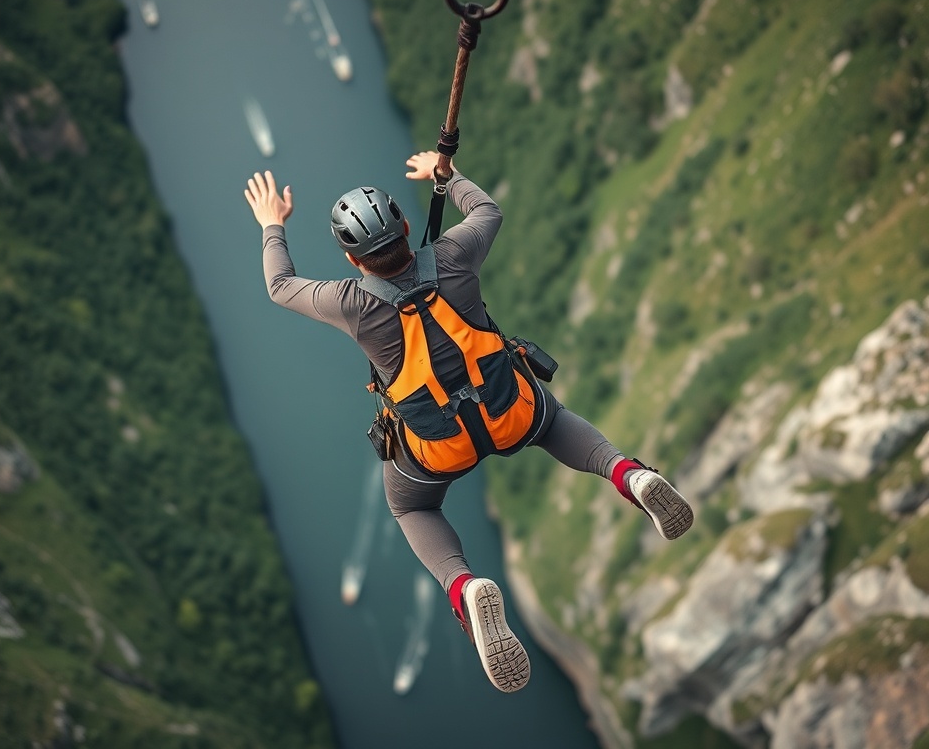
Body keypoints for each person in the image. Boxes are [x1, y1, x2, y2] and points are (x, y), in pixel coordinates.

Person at [243, 151, 693, 694]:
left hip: (440, 448)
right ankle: (628, 475)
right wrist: (446, 174)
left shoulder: (350, 302)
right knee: (553, 423)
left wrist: (273, 222)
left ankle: (465, 588)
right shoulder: (454, 255)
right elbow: (488, 211)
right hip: (512, 412)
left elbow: (279, 285)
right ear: (408, 228)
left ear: (351, 259)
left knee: (409, 506)